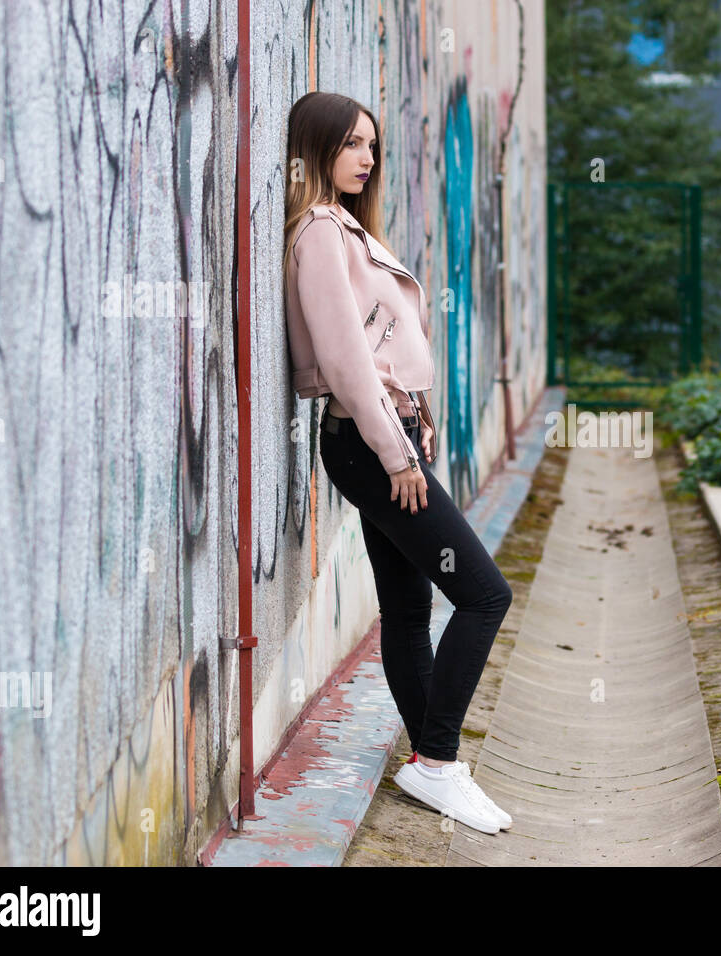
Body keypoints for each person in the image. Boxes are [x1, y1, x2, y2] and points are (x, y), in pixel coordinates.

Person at [282, 91, 513, 835]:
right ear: (316, 147)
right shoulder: (319, 231)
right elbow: (348, 360)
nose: (366, 158)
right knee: (484, 595)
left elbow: (384, 351)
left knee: (410, 610)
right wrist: (396, 452)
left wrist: (420, 420)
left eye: (372, 146)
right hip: (369, 443)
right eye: (351, 143)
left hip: (386, 437)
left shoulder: (346, 229)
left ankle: (430, 765)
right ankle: (438, 763)